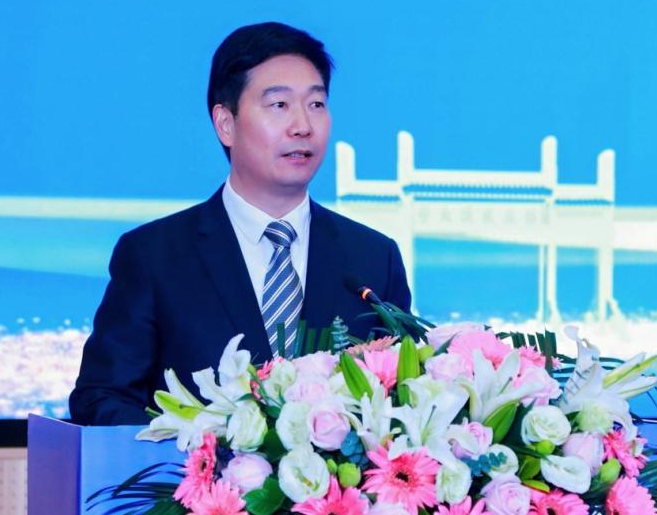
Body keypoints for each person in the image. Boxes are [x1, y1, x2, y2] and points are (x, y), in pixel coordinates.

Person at [69, 22, 412, 425]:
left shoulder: (373, 258)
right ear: (225, 124)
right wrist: (195, 450)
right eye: (279, 105)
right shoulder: (154, 257)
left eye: (316, 104)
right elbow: (102, 398)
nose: (303, 125)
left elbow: (401, 396)